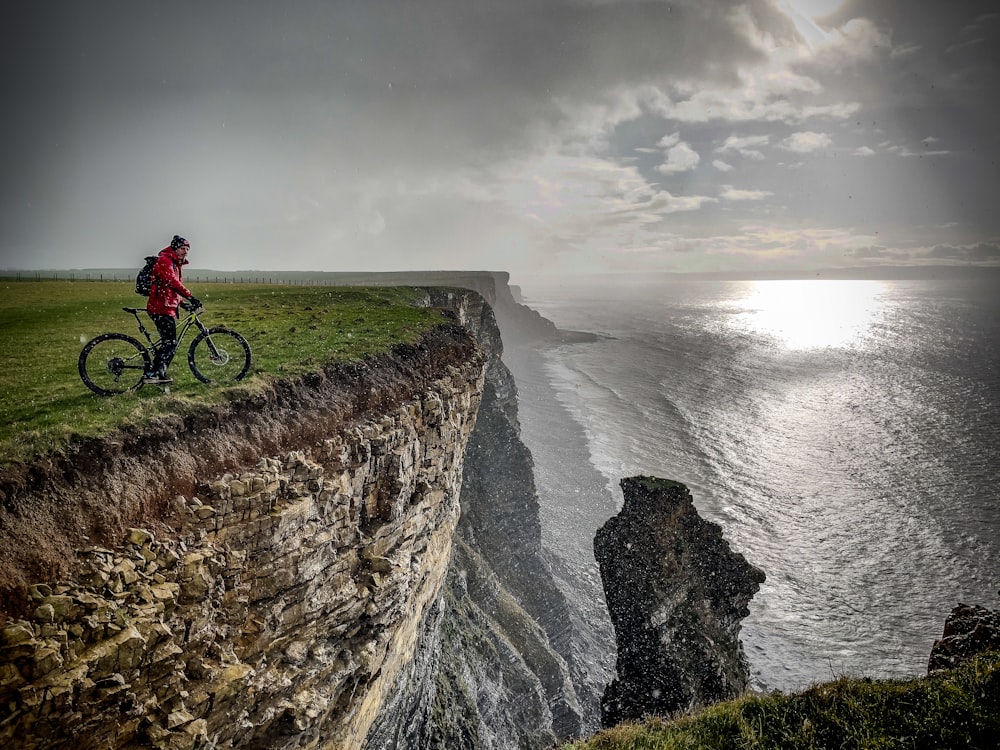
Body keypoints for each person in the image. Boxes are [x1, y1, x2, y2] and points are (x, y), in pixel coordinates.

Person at [143, 235, 201, 384]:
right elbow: (172, 282)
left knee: (168, 342)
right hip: (159, 307)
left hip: (166, 306)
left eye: (187, 249)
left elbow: (172, 290)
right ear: (175, 248)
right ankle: (155, 373)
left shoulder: (176, 264)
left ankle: (156, 372)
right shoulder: (165, 261)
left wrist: (182, 303)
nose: (185, 252)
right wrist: (191, 296)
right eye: (183, 248)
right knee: (170, 342)